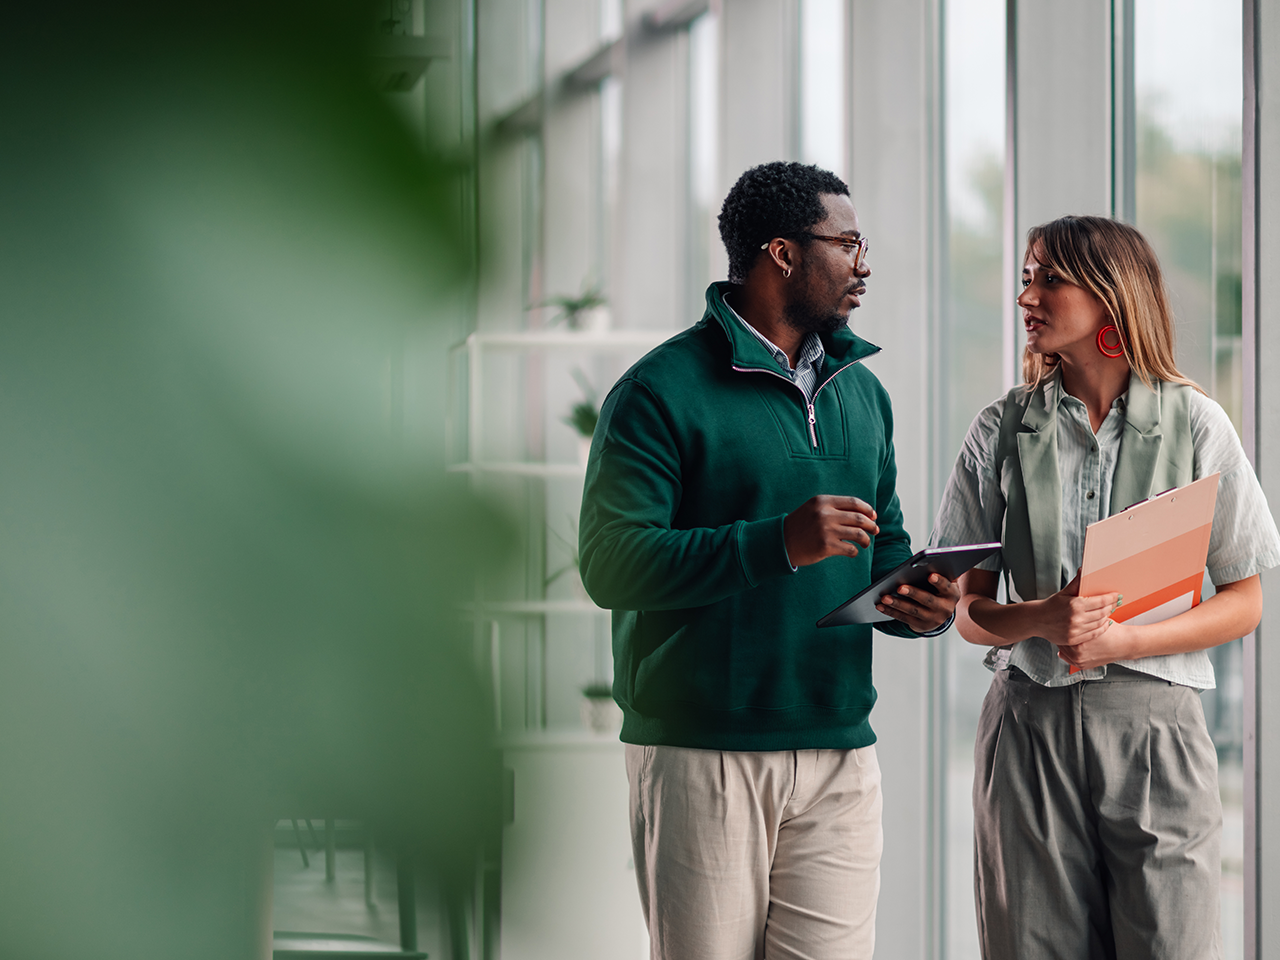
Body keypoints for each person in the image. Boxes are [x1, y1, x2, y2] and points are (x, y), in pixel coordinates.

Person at [578, 160, 960, 960]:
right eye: (847, 242)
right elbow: (611, 563)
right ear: (781, 252)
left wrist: (916, 603)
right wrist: (777, 543)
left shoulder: (864, 393)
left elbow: (879, 541)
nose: (865, 263)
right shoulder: (658, 391)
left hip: (839, 748)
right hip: (700, 749)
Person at [930, 214, 1280, 960]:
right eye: (1027, 277)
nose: (1029, 295)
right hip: (1029, 733)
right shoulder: (999, 429)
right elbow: (969, 611)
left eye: (1050, 279)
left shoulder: (1197, 425)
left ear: (1110, 296)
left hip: (1157, 733)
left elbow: (1244, 600)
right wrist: (1040, 616)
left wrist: (1127, 641)